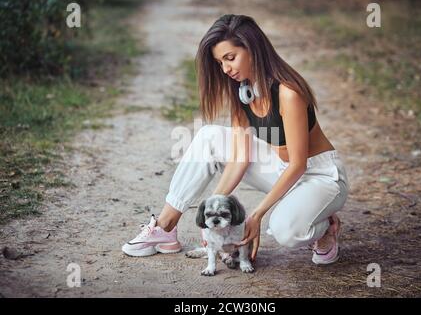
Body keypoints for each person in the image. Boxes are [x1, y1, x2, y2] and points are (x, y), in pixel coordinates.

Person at [122, 14, 350, 265]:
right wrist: (212, 209)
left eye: (230, 58)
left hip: (319, 177)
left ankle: (325, 226)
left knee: (286, 230)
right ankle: (165, 227)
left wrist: (256, 215)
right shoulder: (243, 90)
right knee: (209, 135)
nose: (225, 69)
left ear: (253, 49)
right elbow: (240, 159)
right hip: (279, 168)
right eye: (220, 62)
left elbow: (299, 164)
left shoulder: (288, 93)